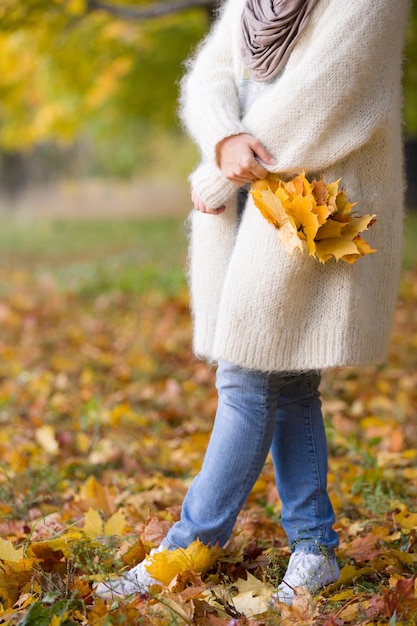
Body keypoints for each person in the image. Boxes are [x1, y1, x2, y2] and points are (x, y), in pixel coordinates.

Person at [96, 0, 409, 606]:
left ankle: (187, 548)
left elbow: (327, 95)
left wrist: (222, 171)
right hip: (250, 196)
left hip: (313, 196)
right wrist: (221, 138)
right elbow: (211, 70)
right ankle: (315, 547)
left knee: (246, 376)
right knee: (287, 379)